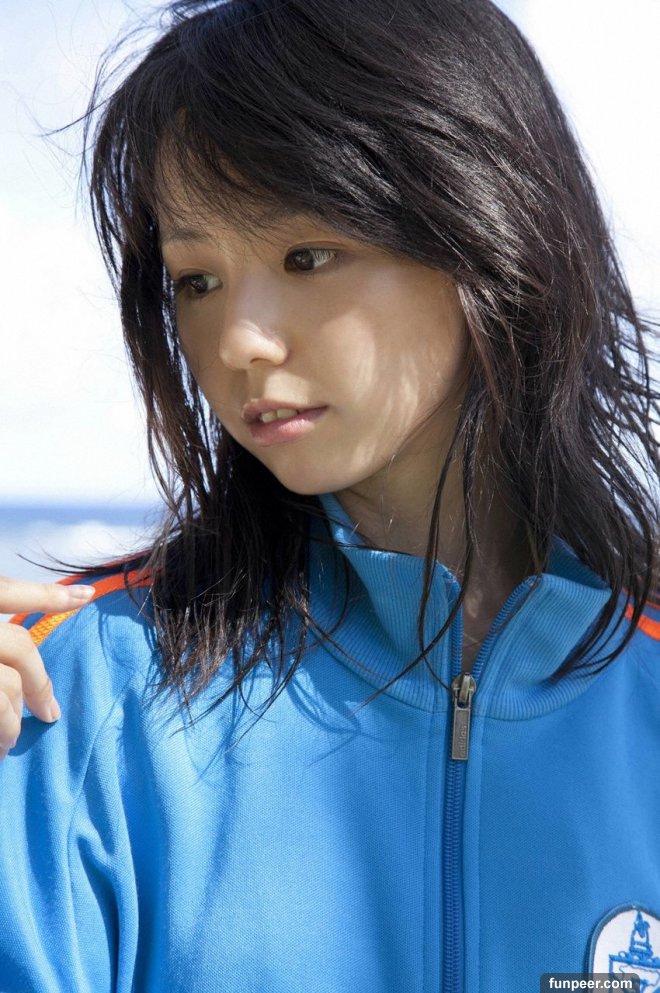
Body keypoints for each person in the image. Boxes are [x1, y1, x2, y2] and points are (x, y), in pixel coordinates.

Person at [0, 0, 658, 990]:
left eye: (306, 257)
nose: (238, 341)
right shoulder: (79, 700)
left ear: (487, 230)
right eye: (195, 279)